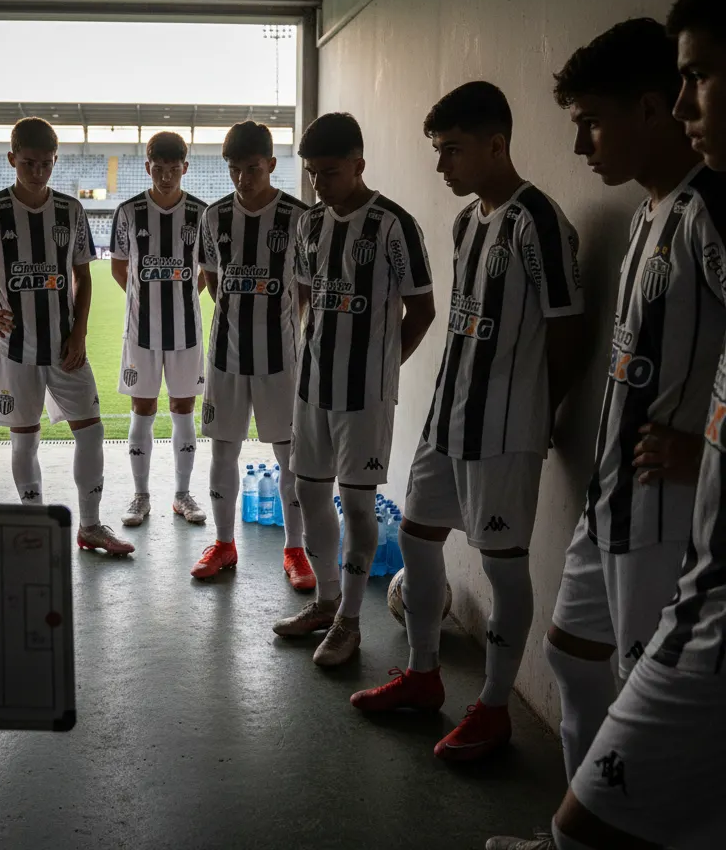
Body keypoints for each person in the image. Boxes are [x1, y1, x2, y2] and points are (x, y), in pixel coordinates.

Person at [488, 0, 726, 850]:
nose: (582, 145)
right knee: (570, 654)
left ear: (651, 110)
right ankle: (584, 822)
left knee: (636, 680)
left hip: (670, 507)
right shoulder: (649, 213)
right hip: (611, 491)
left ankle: (598, 833)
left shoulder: (710, 214)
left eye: (590, 123)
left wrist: (705, 453)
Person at [351, 83, 586, 762]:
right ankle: (423, 674)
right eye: (437, 151)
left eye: (451, 150)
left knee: (504, 568)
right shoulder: (468, 221)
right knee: (419, 537)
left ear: (495, 144)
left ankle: (492, 708)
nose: (441, 166)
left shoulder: (539, 221)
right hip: (446, 419)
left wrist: (545, 411)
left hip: (506, 429)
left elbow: (568, 330)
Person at [272, 112, 436, 666]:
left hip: (364, 395)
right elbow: (302, 295)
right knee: (309, 493)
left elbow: (424, 308)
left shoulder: (394, 225)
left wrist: (384, 368)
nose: (321, 183)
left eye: (332, 171)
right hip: (312, 388)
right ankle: (324, 601)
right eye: (313, 173)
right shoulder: (310, 224)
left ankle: (349, 622)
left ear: (359, 165)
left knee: (358, 505)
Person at [0, 117, 132, 555]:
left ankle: (90, 525)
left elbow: (84, 276)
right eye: (29, 163)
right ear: (12, 159)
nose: (38, 172)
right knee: (24, 437)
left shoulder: (70, 210)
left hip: (65, 345)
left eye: (46, 164)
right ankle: (33, 522)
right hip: (13, 348)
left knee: (91, 430)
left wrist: (81, 331)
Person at [190, 120, 314, 588]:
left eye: (253, 169)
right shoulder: (213, 217)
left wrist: (279, 325)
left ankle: (295, 550)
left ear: (272, 165)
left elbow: (303, 291)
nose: (244, 179)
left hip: (281, 359)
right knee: (224, 450)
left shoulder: (300, 218)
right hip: (225, 356)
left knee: (291, 457)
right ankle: (224, 544)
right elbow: (214, 284)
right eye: (235, 170)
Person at [111, 131, 209, 527]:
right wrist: (141, 298)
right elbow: (119, 265)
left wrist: (189, 293)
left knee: (184, 409)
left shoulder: (202, 213)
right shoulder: (129, 211)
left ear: (184, 168)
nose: (166, 176)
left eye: (174, 169)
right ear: (147, 167)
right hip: (141, 332)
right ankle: (140, 495)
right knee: (143, 408)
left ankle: (183, 494)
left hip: (187, 332)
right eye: (159, 168)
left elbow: (207, 270)